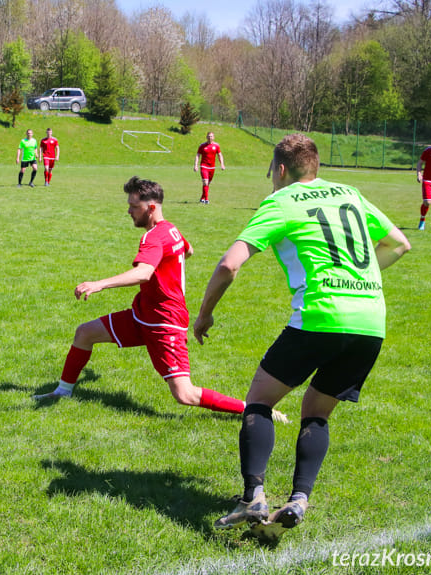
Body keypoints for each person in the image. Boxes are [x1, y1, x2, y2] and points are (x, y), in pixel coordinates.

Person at [194, 134, 411, 540]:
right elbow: (399, 244)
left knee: (259, 400)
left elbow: (230, 264)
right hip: (370, 323)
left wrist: (204, 315)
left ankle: (253, 496)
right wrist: (357, 282)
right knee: (316, 410)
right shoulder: (350, 193)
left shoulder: (280, 201)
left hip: (319, 316)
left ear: (280, 170)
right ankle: (298, 499)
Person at [33, 176, 267, 421]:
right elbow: (188, 250)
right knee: (84, 333)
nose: (129, 211)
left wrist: (98, 284)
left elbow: (144, 273)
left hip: (164, 323)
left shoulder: (153, 237)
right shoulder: (171, 229)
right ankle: (63, 391)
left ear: (151, 208)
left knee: (184, 394)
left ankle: (255, 410)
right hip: (142, 314)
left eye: (134, 206)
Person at [193, 131, 225, 204]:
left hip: (212, 167)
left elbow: (220, 155)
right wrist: (195, 165)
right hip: (204, 166)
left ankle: (202, 198)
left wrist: (222, 164)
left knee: (207, 183)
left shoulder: (216, 146)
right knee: (205, 182)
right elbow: (198, 155)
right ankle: (206, 199)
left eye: (211, 136)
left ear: (213, 137)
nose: (210, 138)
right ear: (206, 137)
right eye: (208, 136)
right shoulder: (202, 146)